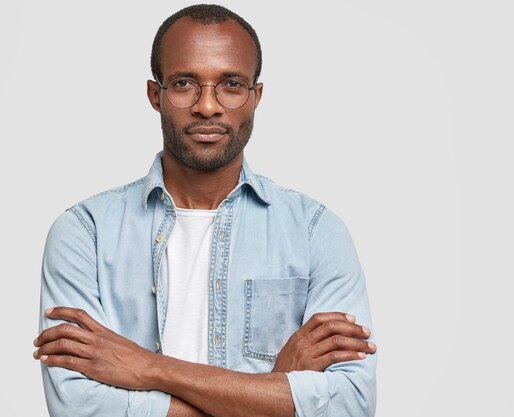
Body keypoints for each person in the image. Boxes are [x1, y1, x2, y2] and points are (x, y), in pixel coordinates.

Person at [33, 4, 377, 417]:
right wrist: (270, 392)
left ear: (256, 97)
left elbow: (350, 406)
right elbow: (78, 408)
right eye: (184, 84)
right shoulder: (84, 233)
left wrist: (148, 368)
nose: (208, 106)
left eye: (231, 84)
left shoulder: (315, 231)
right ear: (154, 95)